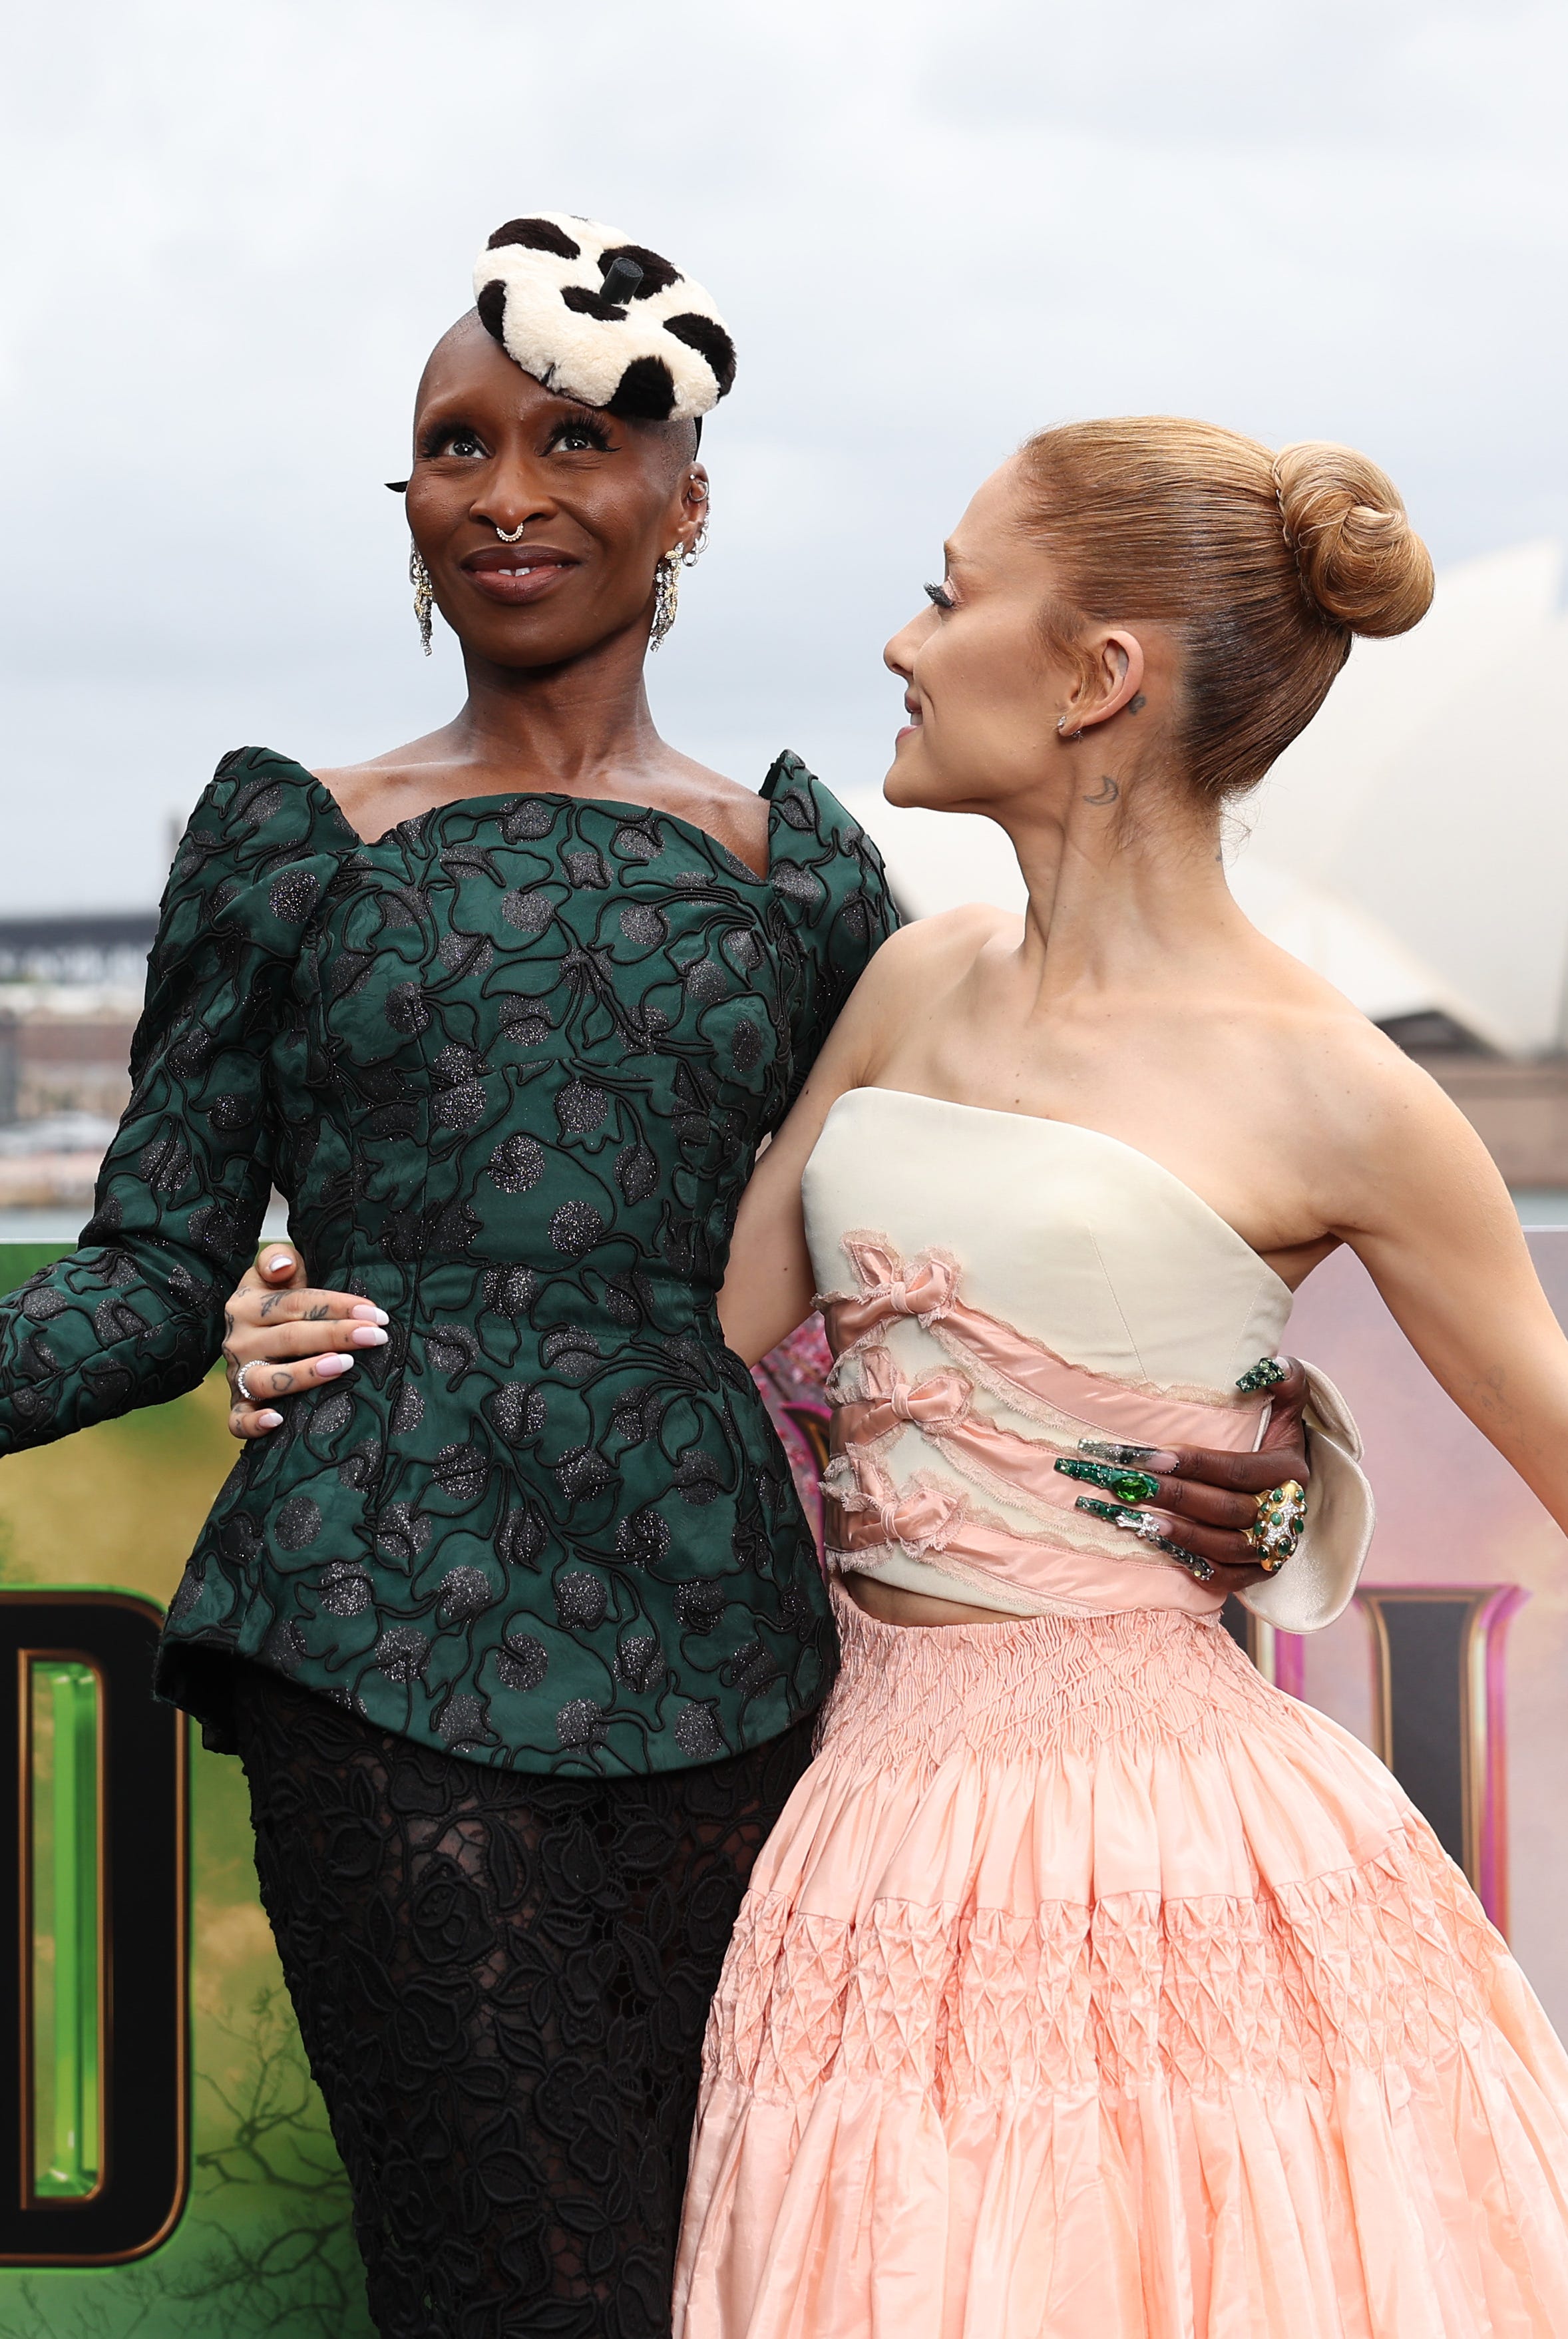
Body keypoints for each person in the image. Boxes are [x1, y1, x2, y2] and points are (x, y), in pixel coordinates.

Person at [0, 221, 1303, 2337]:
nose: (505, 490)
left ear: (686, 496)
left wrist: (1223, 1468)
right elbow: (153, 1268)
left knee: (743, 2273)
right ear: (403, 504)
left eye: (574, 440)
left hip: (745, 1675)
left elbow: (954, 1249)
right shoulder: (287, 834)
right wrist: (212, 1311)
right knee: (518, 2279)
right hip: (373, 1628)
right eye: (450, 444)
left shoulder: (809, 872)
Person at [667, 421, 1568, 2336]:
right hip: (865, 1830)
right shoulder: (916, 979)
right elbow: (696, 1334)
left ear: (1095, 677)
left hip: (1182, 1852)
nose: (903, 645)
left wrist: (1299, 1465)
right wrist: (318, 1304)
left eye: (945, 590)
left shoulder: (1342, 1087)